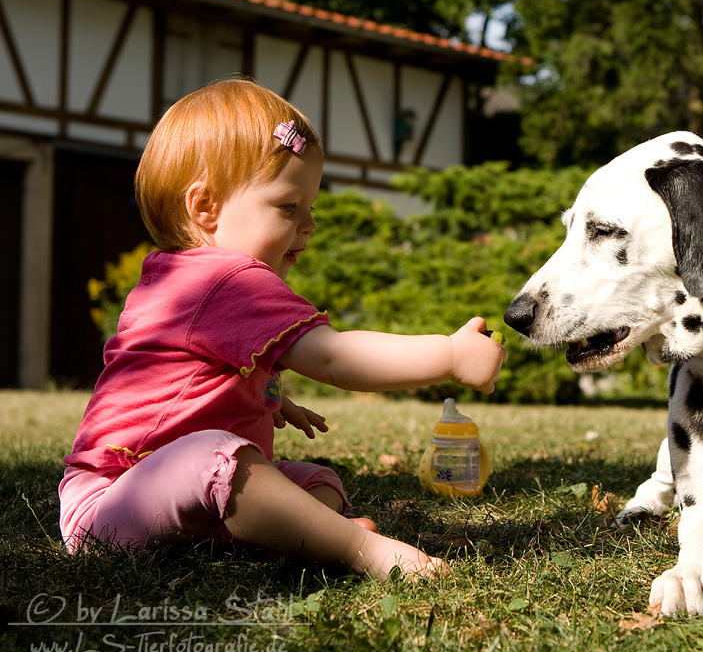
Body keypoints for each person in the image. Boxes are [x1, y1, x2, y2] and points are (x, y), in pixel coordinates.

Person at [58, 78, 507, 581]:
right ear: (205, 207)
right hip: (111, 506)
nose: (309, 224)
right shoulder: (227, 279)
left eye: (309, 207)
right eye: (288, 207)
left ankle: (300, 533)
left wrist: (266, 396)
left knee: (317, 482)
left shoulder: (179, 275)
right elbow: (334, 358)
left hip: (168, 493)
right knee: (221, 461)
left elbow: (177, 378)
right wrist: (450, 354)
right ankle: (360, 549)